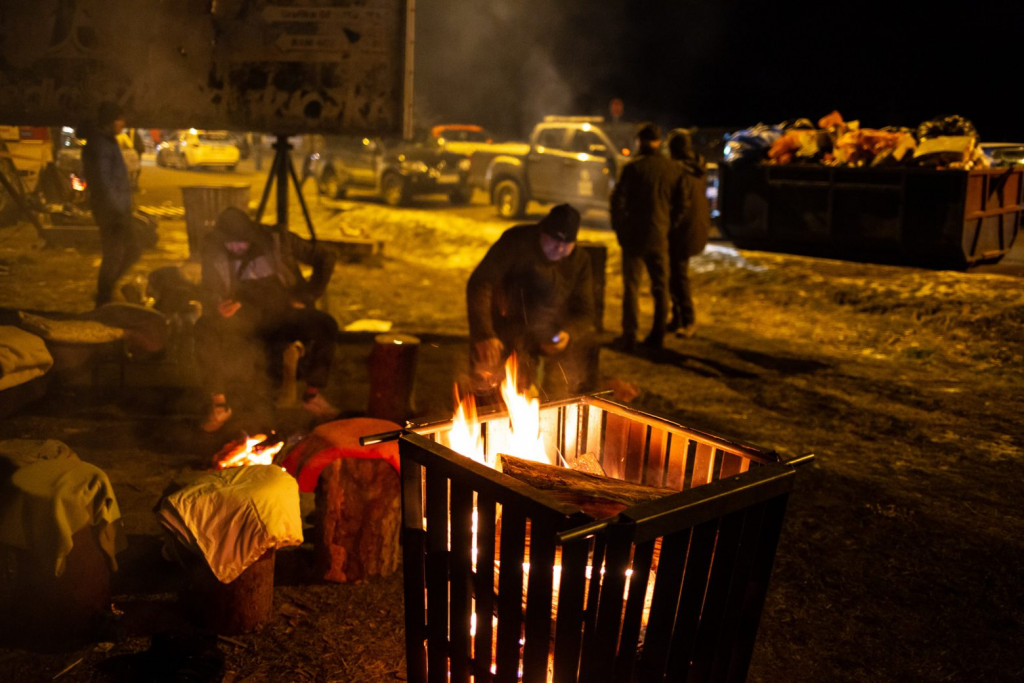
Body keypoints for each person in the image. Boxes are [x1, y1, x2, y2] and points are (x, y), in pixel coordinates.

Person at [194, 206, 340, 431]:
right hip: (242, 319)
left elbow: (326, 256)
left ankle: (312, 396)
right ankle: (219, 406)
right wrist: (217, 305)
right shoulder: (213, 250)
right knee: (204, 328)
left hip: (284, 313)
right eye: (229, 243)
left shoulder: (278, 241)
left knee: (325, 325)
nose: (236, 248)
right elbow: (208, 288)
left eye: (241, 242)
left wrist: (308, 293)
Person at [467, 203, 596, 399]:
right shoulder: (516, 242)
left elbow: (585, 313)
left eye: (567, 244)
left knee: (546, 402)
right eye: (554, 240)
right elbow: (481, 283)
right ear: (542, 232)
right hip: (502, 338)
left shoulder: (580, 261)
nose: (559, 248)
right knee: (488, 399)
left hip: (546, 345)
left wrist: (569, 334)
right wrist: (484, 334)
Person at [609, 122, 685, 351]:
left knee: (631, 287)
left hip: (633, 238)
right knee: (660, 288)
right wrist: (668, 227)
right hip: (659, 236)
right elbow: (682, 205)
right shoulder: (673, 169)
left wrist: (621, 231)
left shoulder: (633, 168)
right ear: (659, 142)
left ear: (640, 142)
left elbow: (617, 203)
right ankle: (657, 335)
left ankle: (630, 335)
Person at [80, 101, 140, 307]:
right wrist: (117, 210)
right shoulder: (100, 144)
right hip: (111, 211)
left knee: (130, 250)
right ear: (109, 121)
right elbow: (103, 182)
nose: (123, 123)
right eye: (119, 119)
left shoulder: (108, 141)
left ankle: (105, 292)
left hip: (117, 209)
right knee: (115, 255)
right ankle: (103, 297)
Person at [665, 128, 711, 337]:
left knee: (678, 276)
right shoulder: (697, 167)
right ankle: (678, 318)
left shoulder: (680, 170)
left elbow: (681, 204)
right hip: (696, 227)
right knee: (675, 274)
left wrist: (669, 225)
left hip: (683, 229)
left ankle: (688, 320)